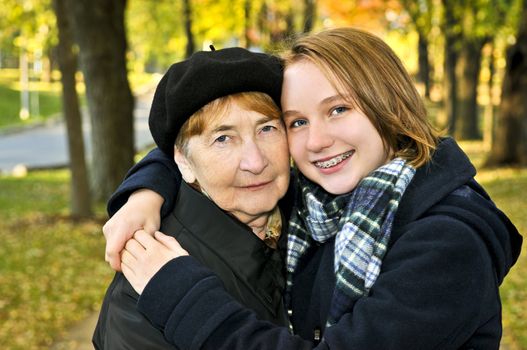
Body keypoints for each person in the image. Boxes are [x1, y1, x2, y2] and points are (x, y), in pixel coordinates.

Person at [102, 28, 522, 349]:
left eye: (338, 110)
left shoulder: (446, 244)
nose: (316, 141)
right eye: (297, 122)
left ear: (389, 107)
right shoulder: (323, 204)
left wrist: (183, 297)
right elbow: (188, 147)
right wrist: (145, 192)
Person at [92, 47, 293, 349]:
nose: (255, 161)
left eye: (266, 128)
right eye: (223, 138)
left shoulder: (321, 219)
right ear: (182, 162)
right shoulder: (147, 283)